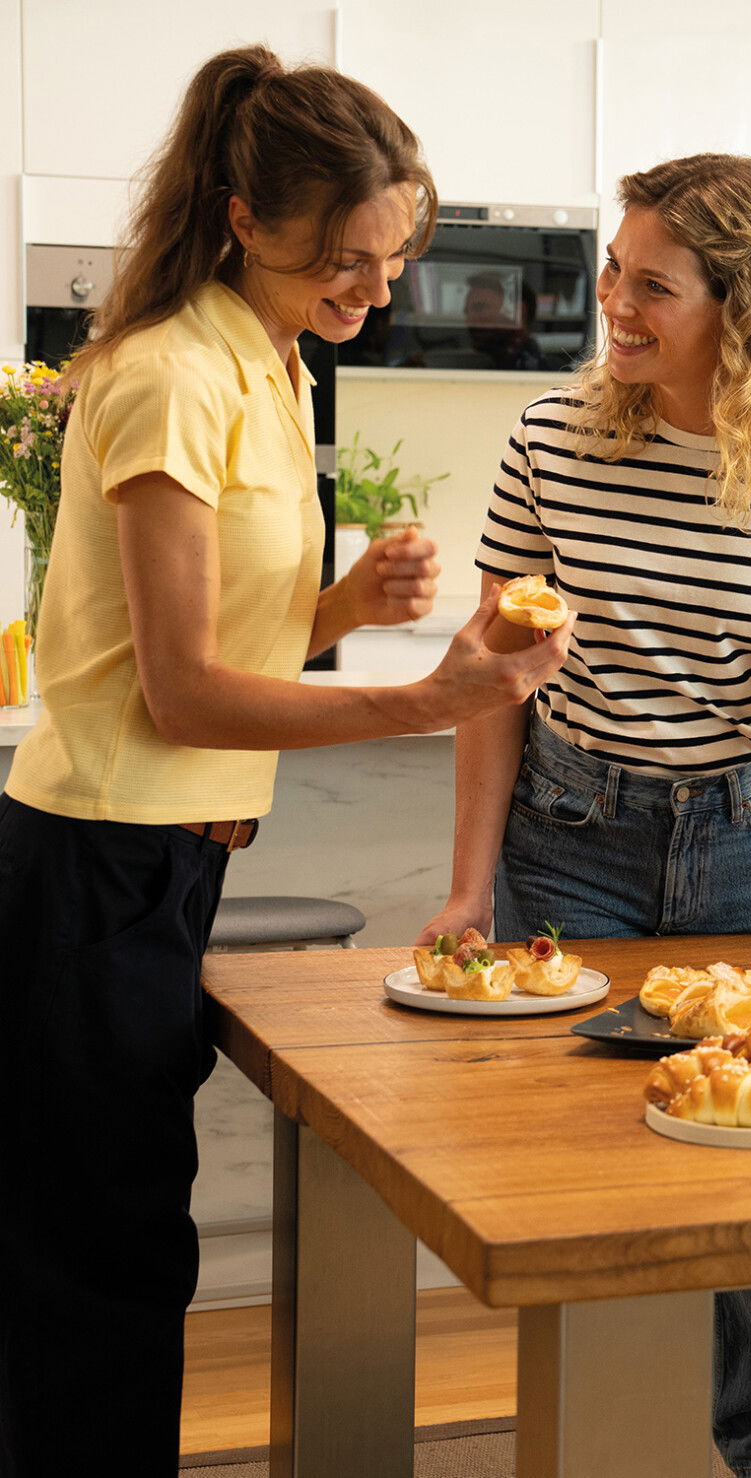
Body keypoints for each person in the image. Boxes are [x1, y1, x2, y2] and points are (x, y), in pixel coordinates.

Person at [0, 47, 571, 1478]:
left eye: (391, 257)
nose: (373, 288)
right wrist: (424, 700)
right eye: (343, 259)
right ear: (245, 219)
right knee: (94, 1264)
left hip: (163, 860)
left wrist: (341, 607)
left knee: (124, 1241)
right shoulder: (168, 375)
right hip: (98, 859)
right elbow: (182, 692)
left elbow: (220, 637)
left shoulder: (270, 361)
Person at [418, 153, 751, 1478]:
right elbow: (494, 677)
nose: (616, 307)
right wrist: (466, 887)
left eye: (654, 288)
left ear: (740, 304)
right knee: (582, 1164)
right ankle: (588, 1444)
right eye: (614, 274)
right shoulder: (549, 438)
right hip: (572, 831)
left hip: (742, 838)